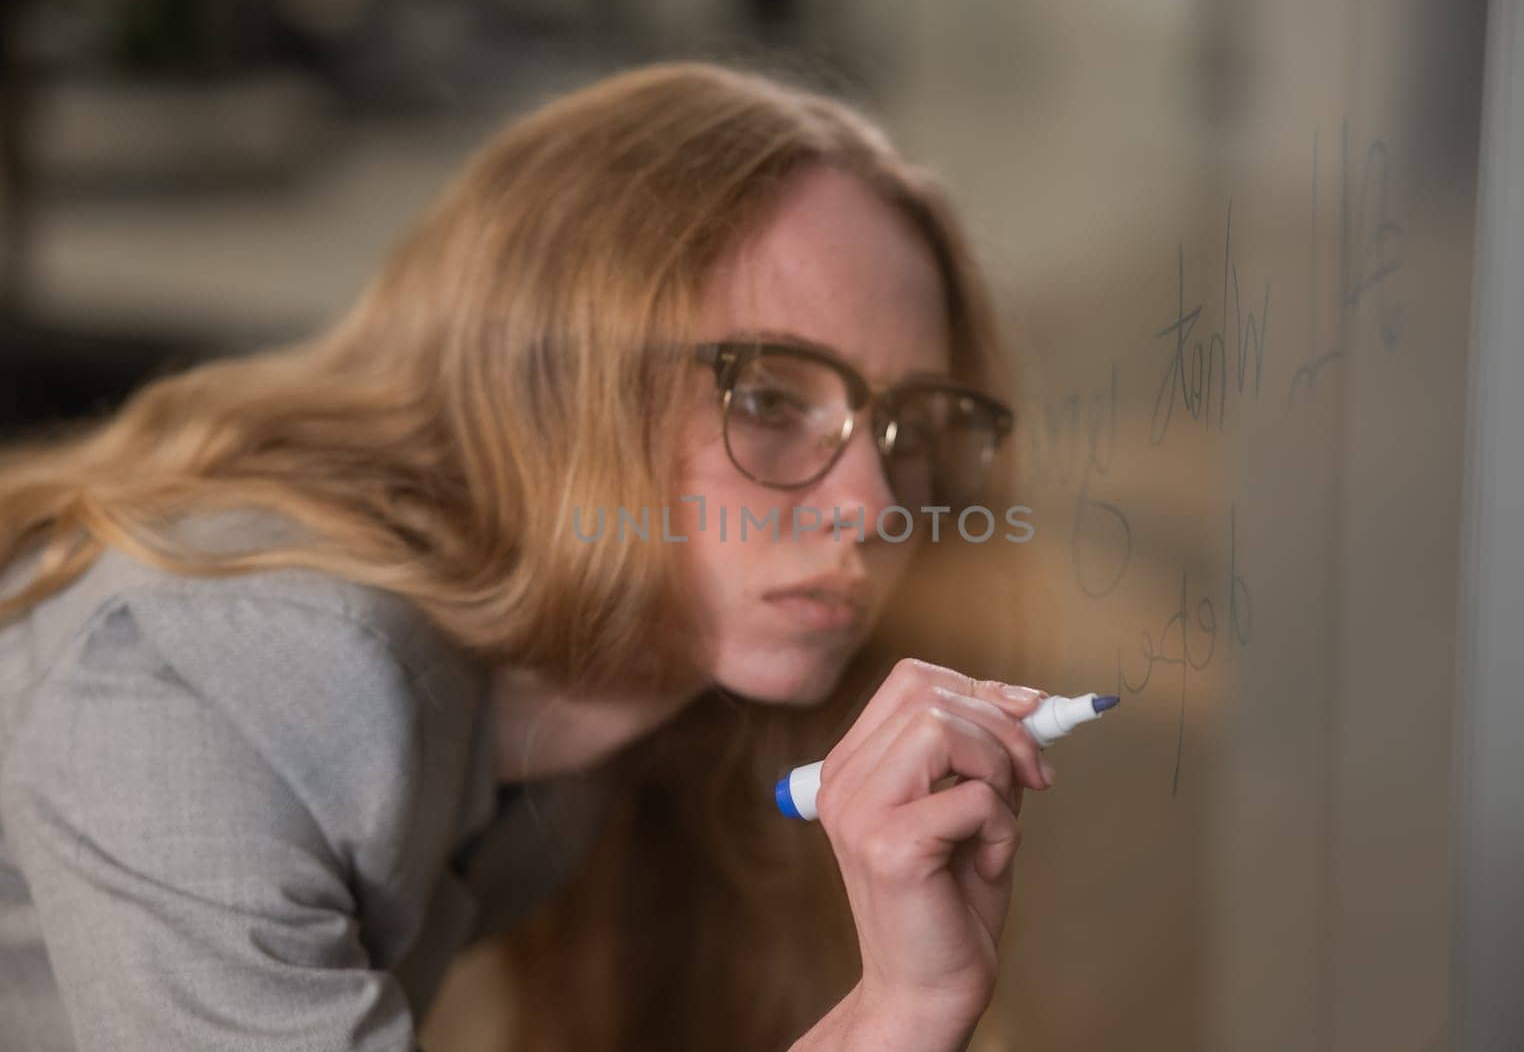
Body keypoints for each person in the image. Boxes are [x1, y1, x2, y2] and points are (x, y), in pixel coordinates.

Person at [0, 59, 1052, 1052]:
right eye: (768, 398)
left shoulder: (616, 719)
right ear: (547, 386)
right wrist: (898, 1017)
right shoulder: (229, 675)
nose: (873, 508)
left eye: (913, 431)